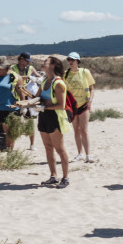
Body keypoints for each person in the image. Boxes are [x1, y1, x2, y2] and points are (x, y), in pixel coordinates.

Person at [36, 56, 73, 188]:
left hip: (54, 117)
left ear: (52, 66)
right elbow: (36, 97)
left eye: (45, 62)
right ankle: (53, 176)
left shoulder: (58, 83)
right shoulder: (45, 81)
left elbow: (61, 105)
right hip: (43, 116)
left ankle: (66, 177)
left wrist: (45, 107)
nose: (42, 63)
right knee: (48, 147)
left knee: (59, 148)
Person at [64, 52, 96, 162]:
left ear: (77, 61)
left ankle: (88, 155)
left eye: (72, 60)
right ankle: (80, 154)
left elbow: (92, 88)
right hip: (72, 107)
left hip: (84, 104)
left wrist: (90, 101)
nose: (70, 62)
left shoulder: (85, 72)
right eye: (69, 60)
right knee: (76, 131)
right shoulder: (66, 74)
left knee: (84, 130)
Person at [9, 52, 38, 150]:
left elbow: (38, 76)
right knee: (14, 122)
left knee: (30, 121)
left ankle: (32, 144)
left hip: (28, 98)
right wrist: (29, 77)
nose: (28, 63)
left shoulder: (30, 68)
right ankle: (11, 146)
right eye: (27, 61)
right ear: (21, 59)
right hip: (16, 98)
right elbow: (16, 78)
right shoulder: (12, 68)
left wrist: (38, 78)